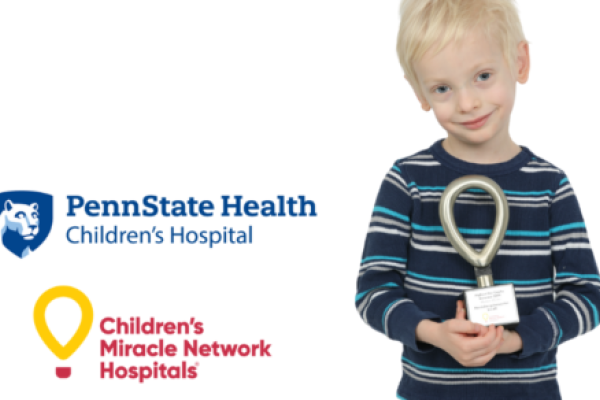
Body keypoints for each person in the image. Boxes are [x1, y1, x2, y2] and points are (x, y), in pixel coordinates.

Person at [355, 1, 600, 399]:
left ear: (519, 62)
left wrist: (516, 339)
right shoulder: (407, 181)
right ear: (419, 91)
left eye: (483, 76)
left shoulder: (549, 185)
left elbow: (587, 296)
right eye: (442, 88)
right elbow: (373, 291)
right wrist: (432, 333)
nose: (467, 103)